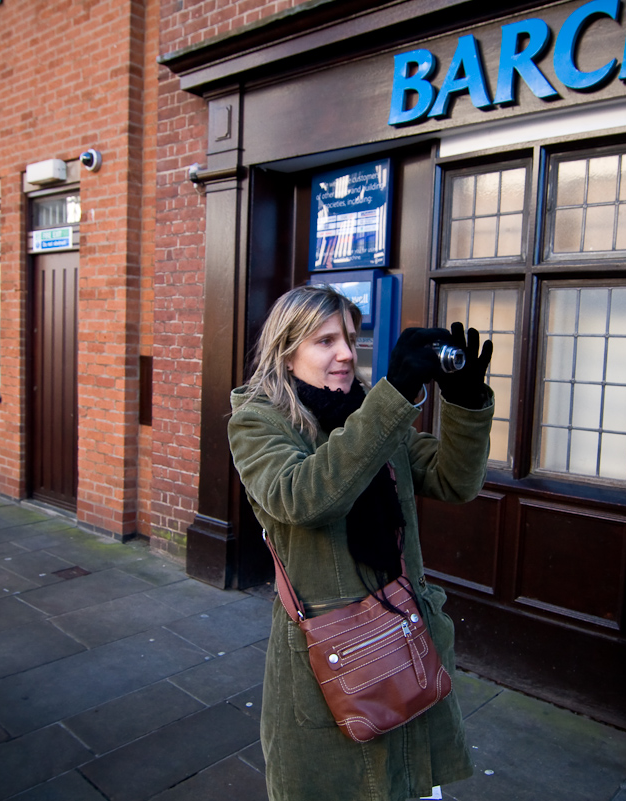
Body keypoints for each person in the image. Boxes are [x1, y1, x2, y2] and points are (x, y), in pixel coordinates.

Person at [227, 284, 494, 801]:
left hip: (404, 646)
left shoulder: (369, 409)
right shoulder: (257, 421)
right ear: (287, 351)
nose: (347, 353)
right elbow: (302, 498)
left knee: (410, 786)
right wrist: (395, 396)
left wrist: (464, 404)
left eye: (350, 337)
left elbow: (453, 480)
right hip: (332, 664)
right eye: (325, 341)